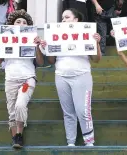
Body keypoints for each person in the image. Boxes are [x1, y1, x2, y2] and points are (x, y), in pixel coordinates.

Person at [0, 10, 44, 149]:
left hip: (28, 78)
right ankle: (16, 137)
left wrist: (37, 46)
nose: (21, 24)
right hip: (10, 79)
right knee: (12, 111)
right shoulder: (5, 40)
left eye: (24, 22)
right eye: (18, 22)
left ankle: (20, 133)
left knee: (20, 105)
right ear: (12, 25)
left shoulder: (32, 40)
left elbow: (40, 62)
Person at [40, 8, 102, 147]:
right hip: (61, 77)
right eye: (62, 18)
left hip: (82, 76)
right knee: (68, 112)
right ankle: (71, 143)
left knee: (83, 111)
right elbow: (51, 61)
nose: (63, 20)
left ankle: (89, 142)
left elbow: (97, 59)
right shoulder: (55, 35)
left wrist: (96, 43)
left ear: (76, 20)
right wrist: (48, 47)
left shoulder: (87, 34)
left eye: (67, 17)